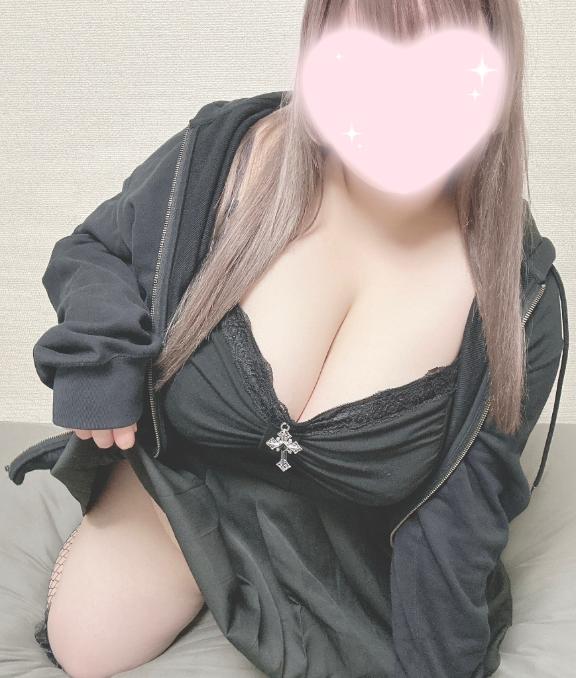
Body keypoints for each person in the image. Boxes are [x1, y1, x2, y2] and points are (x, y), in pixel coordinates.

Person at [10, 1, 567, 677]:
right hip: (183, 476)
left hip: (342, 550)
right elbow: (98, 249)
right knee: (89, 646)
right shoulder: (228, 156)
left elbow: (460, 520)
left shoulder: (518, 305)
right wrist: (99, 363)